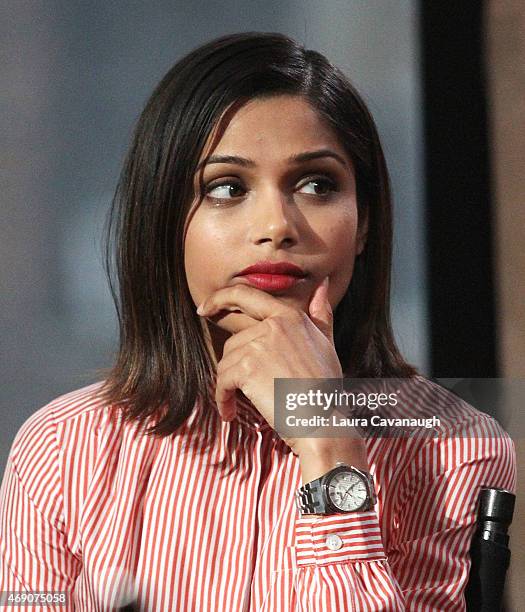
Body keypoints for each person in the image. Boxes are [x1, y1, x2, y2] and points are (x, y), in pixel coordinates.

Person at [0, 32, 516, 611]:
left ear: (364, 222)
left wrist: (330, 447)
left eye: (317, 184)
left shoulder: (452, 448)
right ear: (166, 223)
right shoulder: (63, 448)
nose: (277, 225)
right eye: (227, 188)